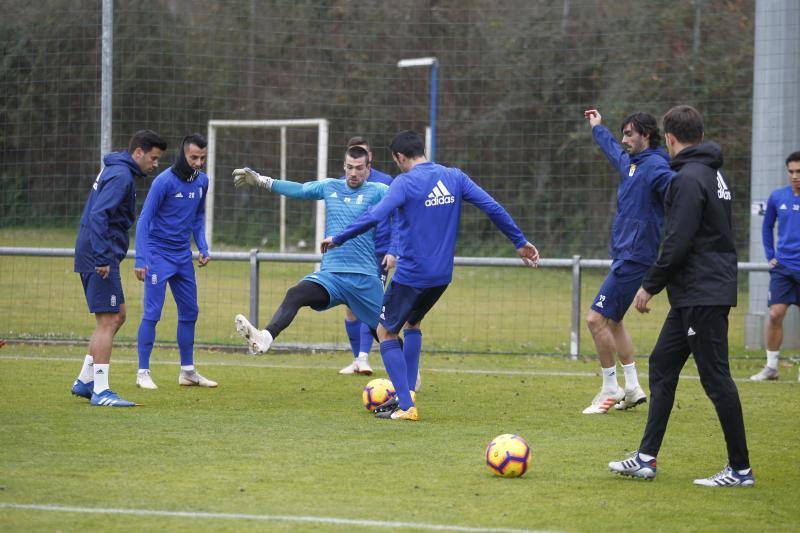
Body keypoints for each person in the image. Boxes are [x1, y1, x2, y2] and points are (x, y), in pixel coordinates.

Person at [321, 130, 539, 422]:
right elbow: (492, 206)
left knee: (385, 330)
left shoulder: (404, 183)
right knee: (413, 322)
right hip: (441, 276)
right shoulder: (455, 177)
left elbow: (374, 215)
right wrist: (519, 241)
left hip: (412, 275)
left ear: (399, 158)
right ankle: (407, 393)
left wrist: (339, 238)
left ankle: (406, 406)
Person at [609, 105, 753, 487]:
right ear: (699, 135)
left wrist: (649, 284)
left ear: (669, 139)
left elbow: (679, 239)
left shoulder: (688, 178)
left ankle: (740, 470)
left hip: (701, 293)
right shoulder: (712, 174)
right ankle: (646, 458)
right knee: (662, 364)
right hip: (696, 292)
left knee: (716, 378)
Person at [232, 145, 391, 359]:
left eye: (359, 168)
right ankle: (265, 338)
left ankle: (410, 373)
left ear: (368, 168)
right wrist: (262, 180)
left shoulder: (379, 190)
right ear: (344, 166)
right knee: (295, 294)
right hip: (331, 277)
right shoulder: (330, 187)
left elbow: (404, 206)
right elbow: (299, 189)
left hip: (364, 278)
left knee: (383, 333)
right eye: (350, 167)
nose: (353, 173)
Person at [581, 109, 674, 414]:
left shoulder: (657, 167)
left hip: (636, 257)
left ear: (646, 134)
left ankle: (610, 389)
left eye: (629, 134)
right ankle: (632, 388)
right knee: (615, 321)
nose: (624, 140)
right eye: (622, 134)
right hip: (625, 254)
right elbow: (612, 150)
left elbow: (678, 189)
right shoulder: (632, 164)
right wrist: (597, 127)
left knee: (595, 319)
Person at [71, 130, 166, 407]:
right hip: (98, 254)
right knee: (108, 320)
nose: (155, 164)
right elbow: (100, 215)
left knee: (118, 315)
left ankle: (85, 381)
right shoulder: (122, 176)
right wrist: (102, 258)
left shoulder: (118, 171)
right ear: (138, 152)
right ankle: (101, 391)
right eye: (153, 158)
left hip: (98, 251)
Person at [134, 133, 217, 390]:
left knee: (191, 311)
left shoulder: (202, 182)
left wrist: (202, 247)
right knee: (153, 312)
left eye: (202, 158)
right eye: (194, 157)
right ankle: (142, 372)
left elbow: (197, 217)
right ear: (183, 154)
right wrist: (141, 258)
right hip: (158, 256)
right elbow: (144, 220)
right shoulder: (164, 182)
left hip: (183, 258)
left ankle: (187, 371)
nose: (199, 163)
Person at [338, 136, 396, 377]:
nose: (355, 168)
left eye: (363, 156)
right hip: (351, 254)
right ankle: (357, 359)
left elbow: (398, 219)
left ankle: (364, 357)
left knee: (371, 305)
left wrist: (393, 250)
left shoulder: (385, 183)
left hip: (378, 253)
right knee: (351, 307)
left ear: (369, 159)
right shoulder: (341, 184)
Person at [751, 150, 800, 382]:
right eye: (791, 171)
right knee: (774, 314)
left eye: (799, 171)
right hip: (783, 268)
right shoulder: (777, 197)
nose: (795, 176)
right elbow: (766, 227)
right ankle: (771, 367)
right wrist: (771, 255)